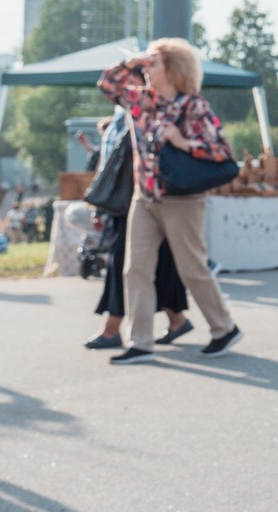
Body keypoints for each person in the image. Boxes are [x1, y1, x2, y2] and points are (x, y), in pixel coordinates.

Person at [98, 39, 240, 363]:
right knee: (135, 269)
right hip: (145, 197)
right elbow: (108, 84)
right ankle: (140, 342)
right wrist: (133, 62)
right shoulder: (140, 99)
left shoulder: (194, 106)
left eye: (154, 63)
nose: (147, 69)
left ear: (174, 68)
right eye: (147, 63)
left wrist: (183, 142)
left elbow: (222, 153)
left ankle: (224, 327)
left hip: (183, 200)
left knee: (192, 268)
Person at [80, 110, 193, 351]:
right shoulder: (122, 117)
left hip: (141, 200)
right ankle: (176, 318)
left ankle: (113, 328)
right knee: (151, 264)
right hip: (128, 203)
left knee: (124, 263)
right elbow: (109, 165)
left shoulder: (143, 114)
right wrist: (100, 206)